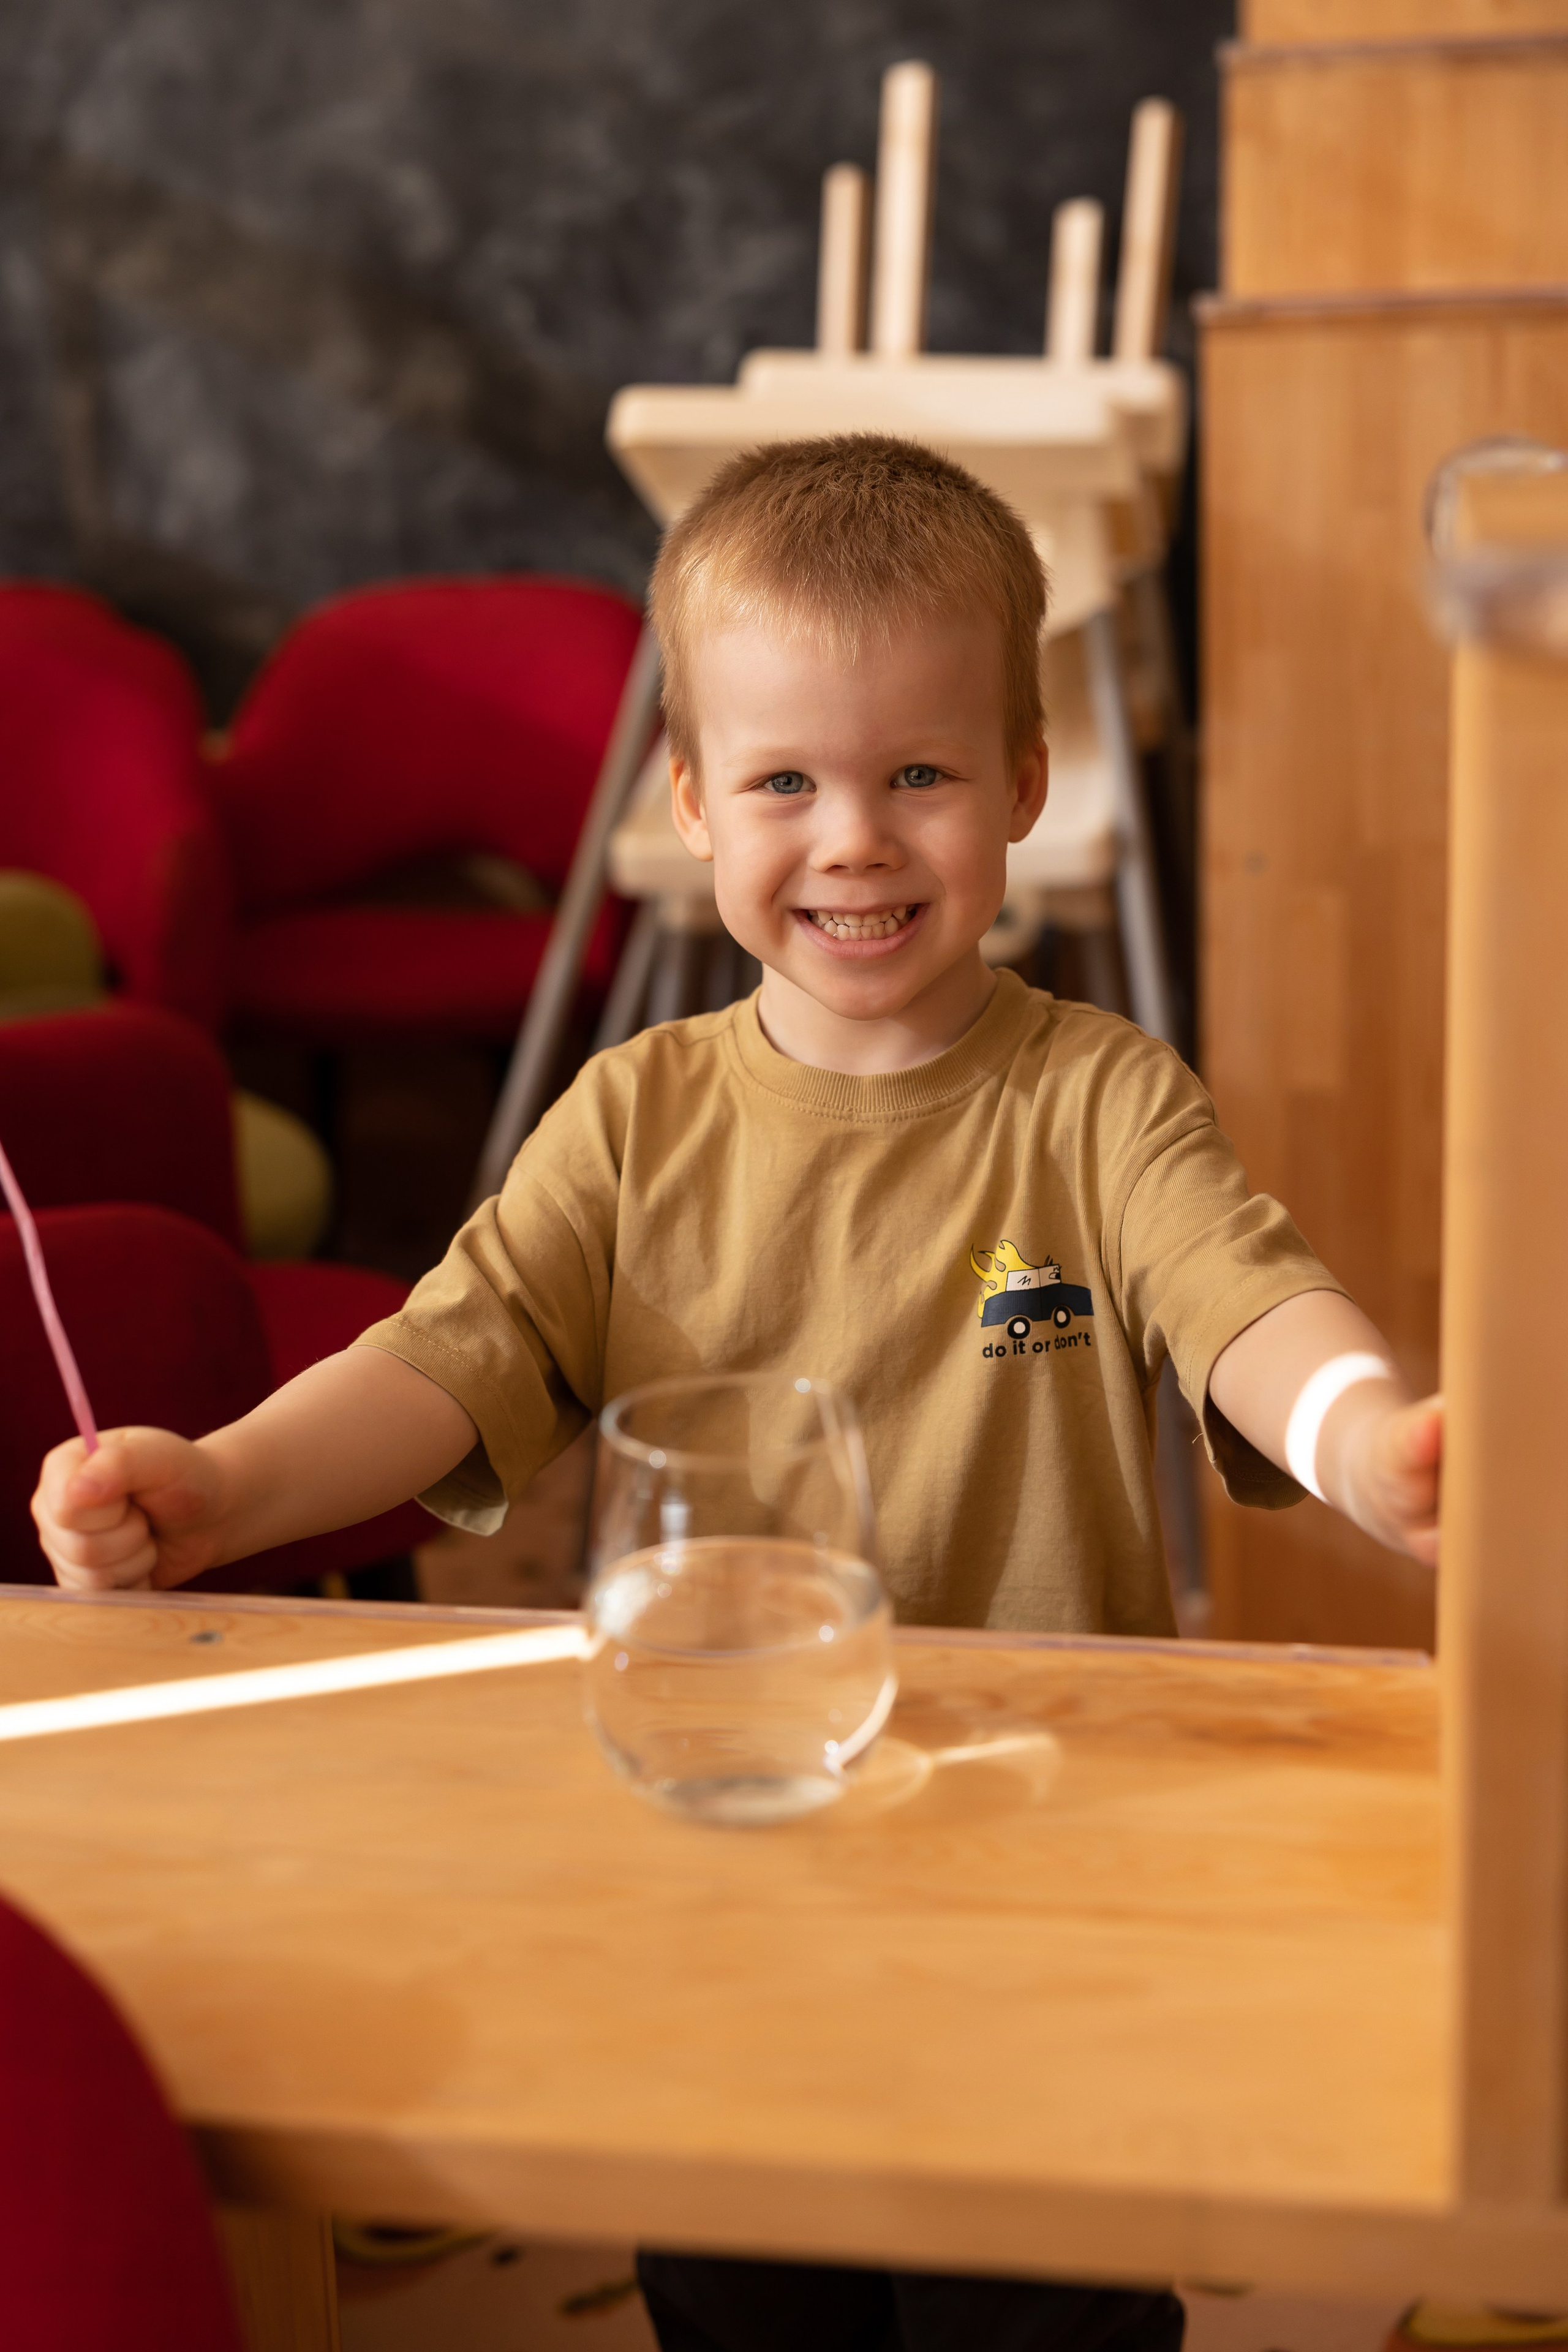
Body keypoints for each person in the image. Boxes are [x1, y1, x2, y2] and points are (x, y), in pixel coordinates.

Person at [31, 434, 1441, 2351]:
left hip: (1033, 1880)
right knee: (749, 2306)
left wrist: (1366, 1432)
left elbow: (1243, 1300)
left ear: (1027, 781)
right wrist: (225, 1482)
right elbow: (459, 1356)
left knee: (1031, 2324)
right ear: (692, 801)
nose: (853, 839)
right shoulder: (633, 1117)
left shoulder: (1101, 1099)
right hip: (724, 1860)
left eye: (919, 776)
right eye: (786, 780)